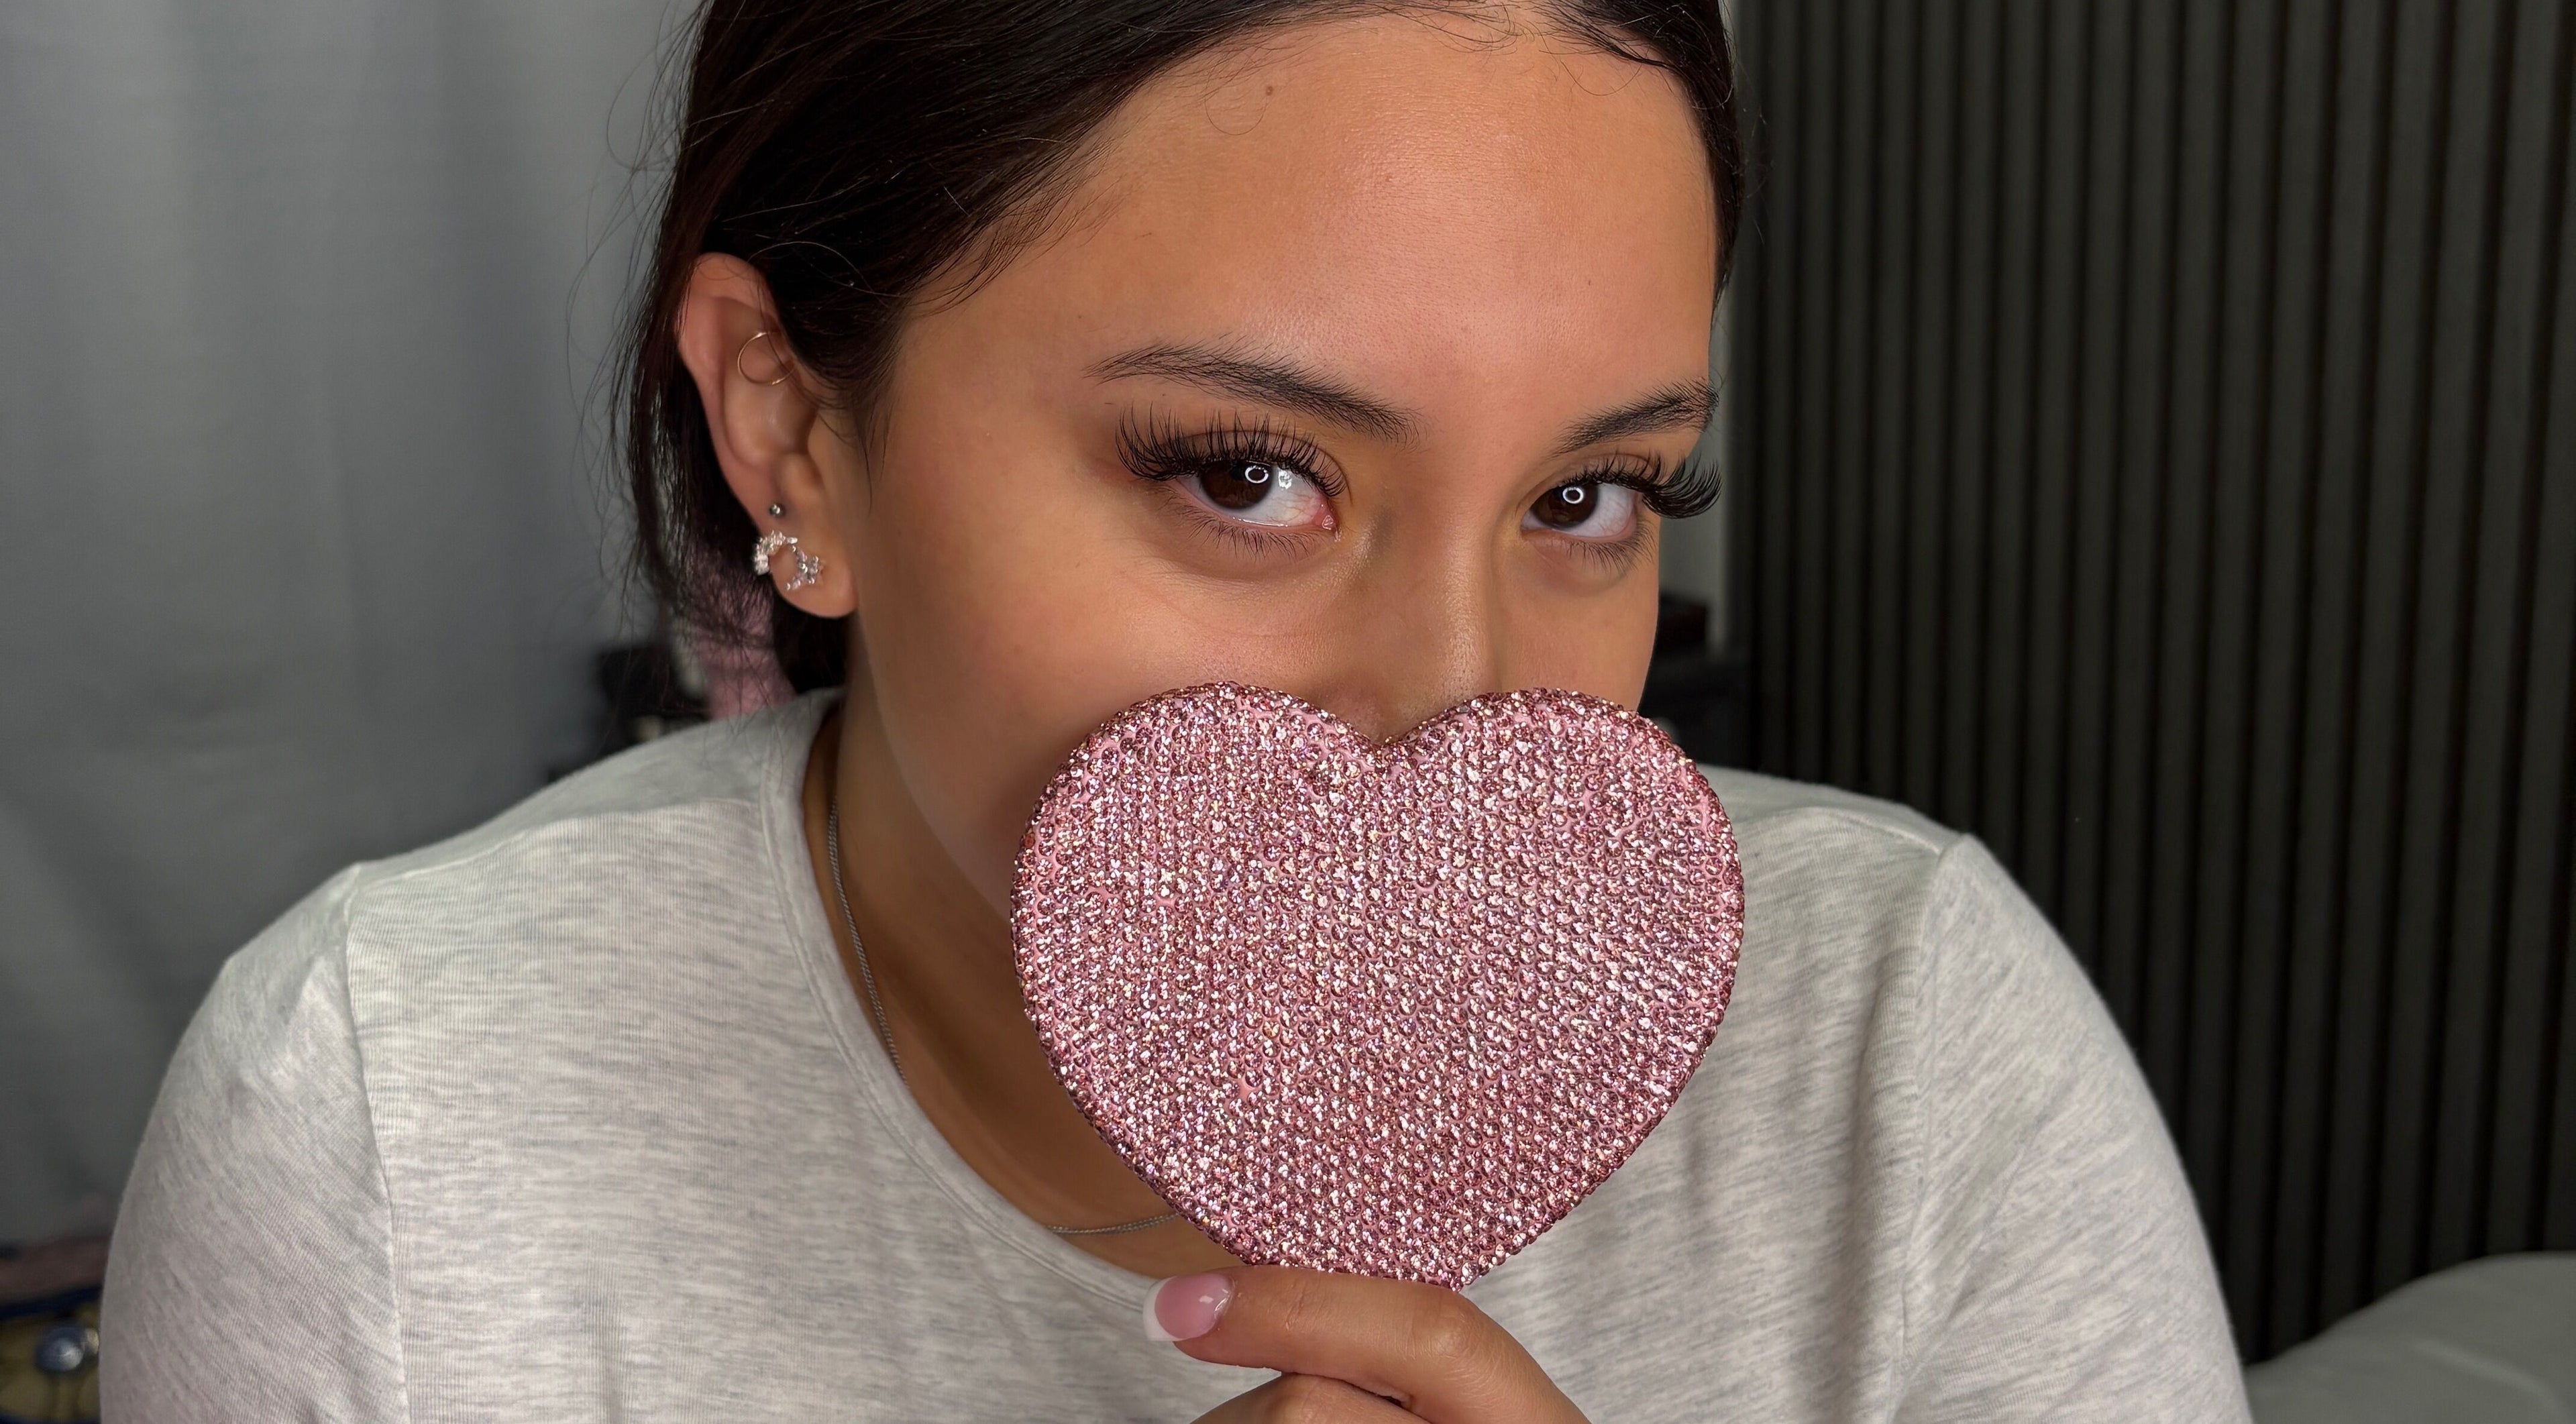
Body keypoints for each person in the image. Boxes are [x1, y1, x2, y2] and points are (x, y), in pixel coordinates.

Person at [101, 2, 2251, 1419]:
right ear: (790, 425)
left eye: (1589, 496)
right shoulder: (389, 1121)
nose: (1463, 716)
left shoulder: (1918, 1057)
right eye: (1245, 473)